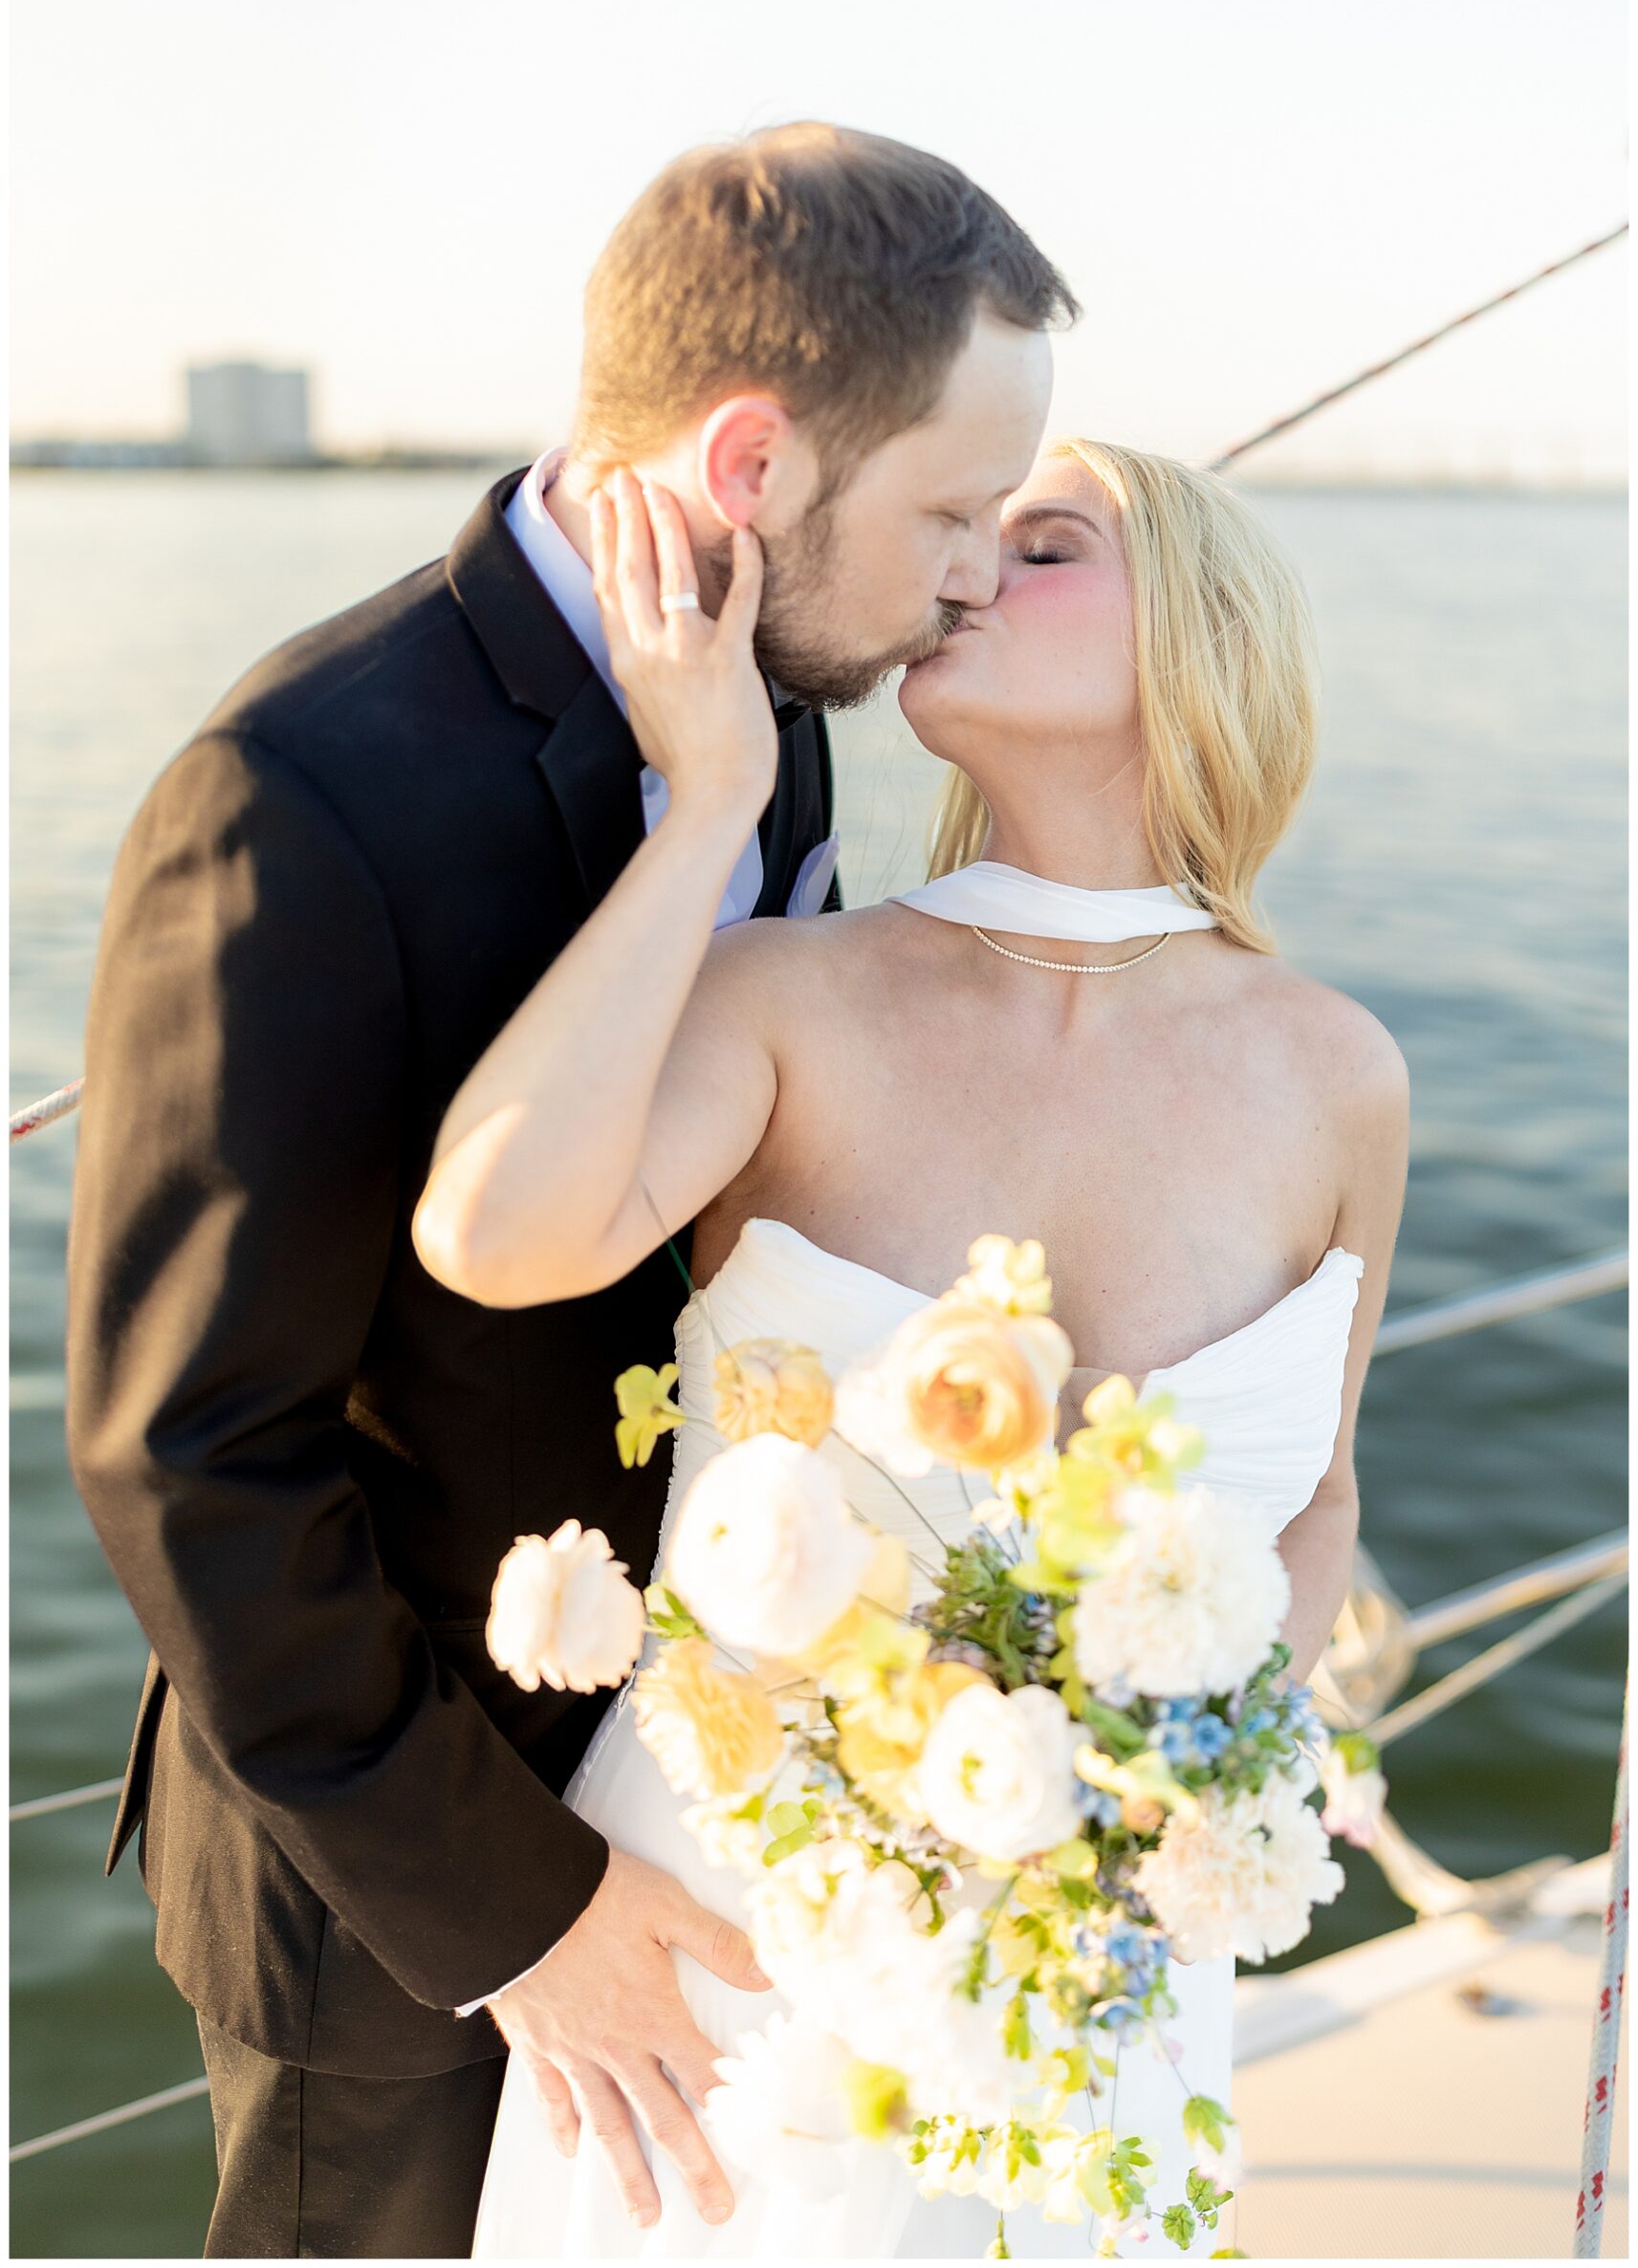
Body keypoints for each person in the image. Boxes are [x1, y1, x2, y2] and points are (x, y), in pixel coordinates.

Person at [63, 121, 1073, 2259]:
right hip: (408, 1899)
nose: (976, 573)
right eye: (949, 511)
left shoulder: (775, 700)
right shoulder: (292, 793)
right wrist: (515, 1912)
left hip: (710, 1780)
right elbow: (192, 1454)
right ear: (750, 462)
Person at [414, 437, 1410, 2257]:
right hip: (728, 1950)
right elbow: (496, 1235)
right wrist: (710, 803)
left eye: (1044, 544)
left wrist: (1182, 1795)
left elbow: (1318, 1498)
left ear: (1196, 637)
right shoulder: (785, 995)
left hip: (1101, 1971)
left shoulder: (1339, 1075)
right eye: (965, 533)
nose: (962, 573)